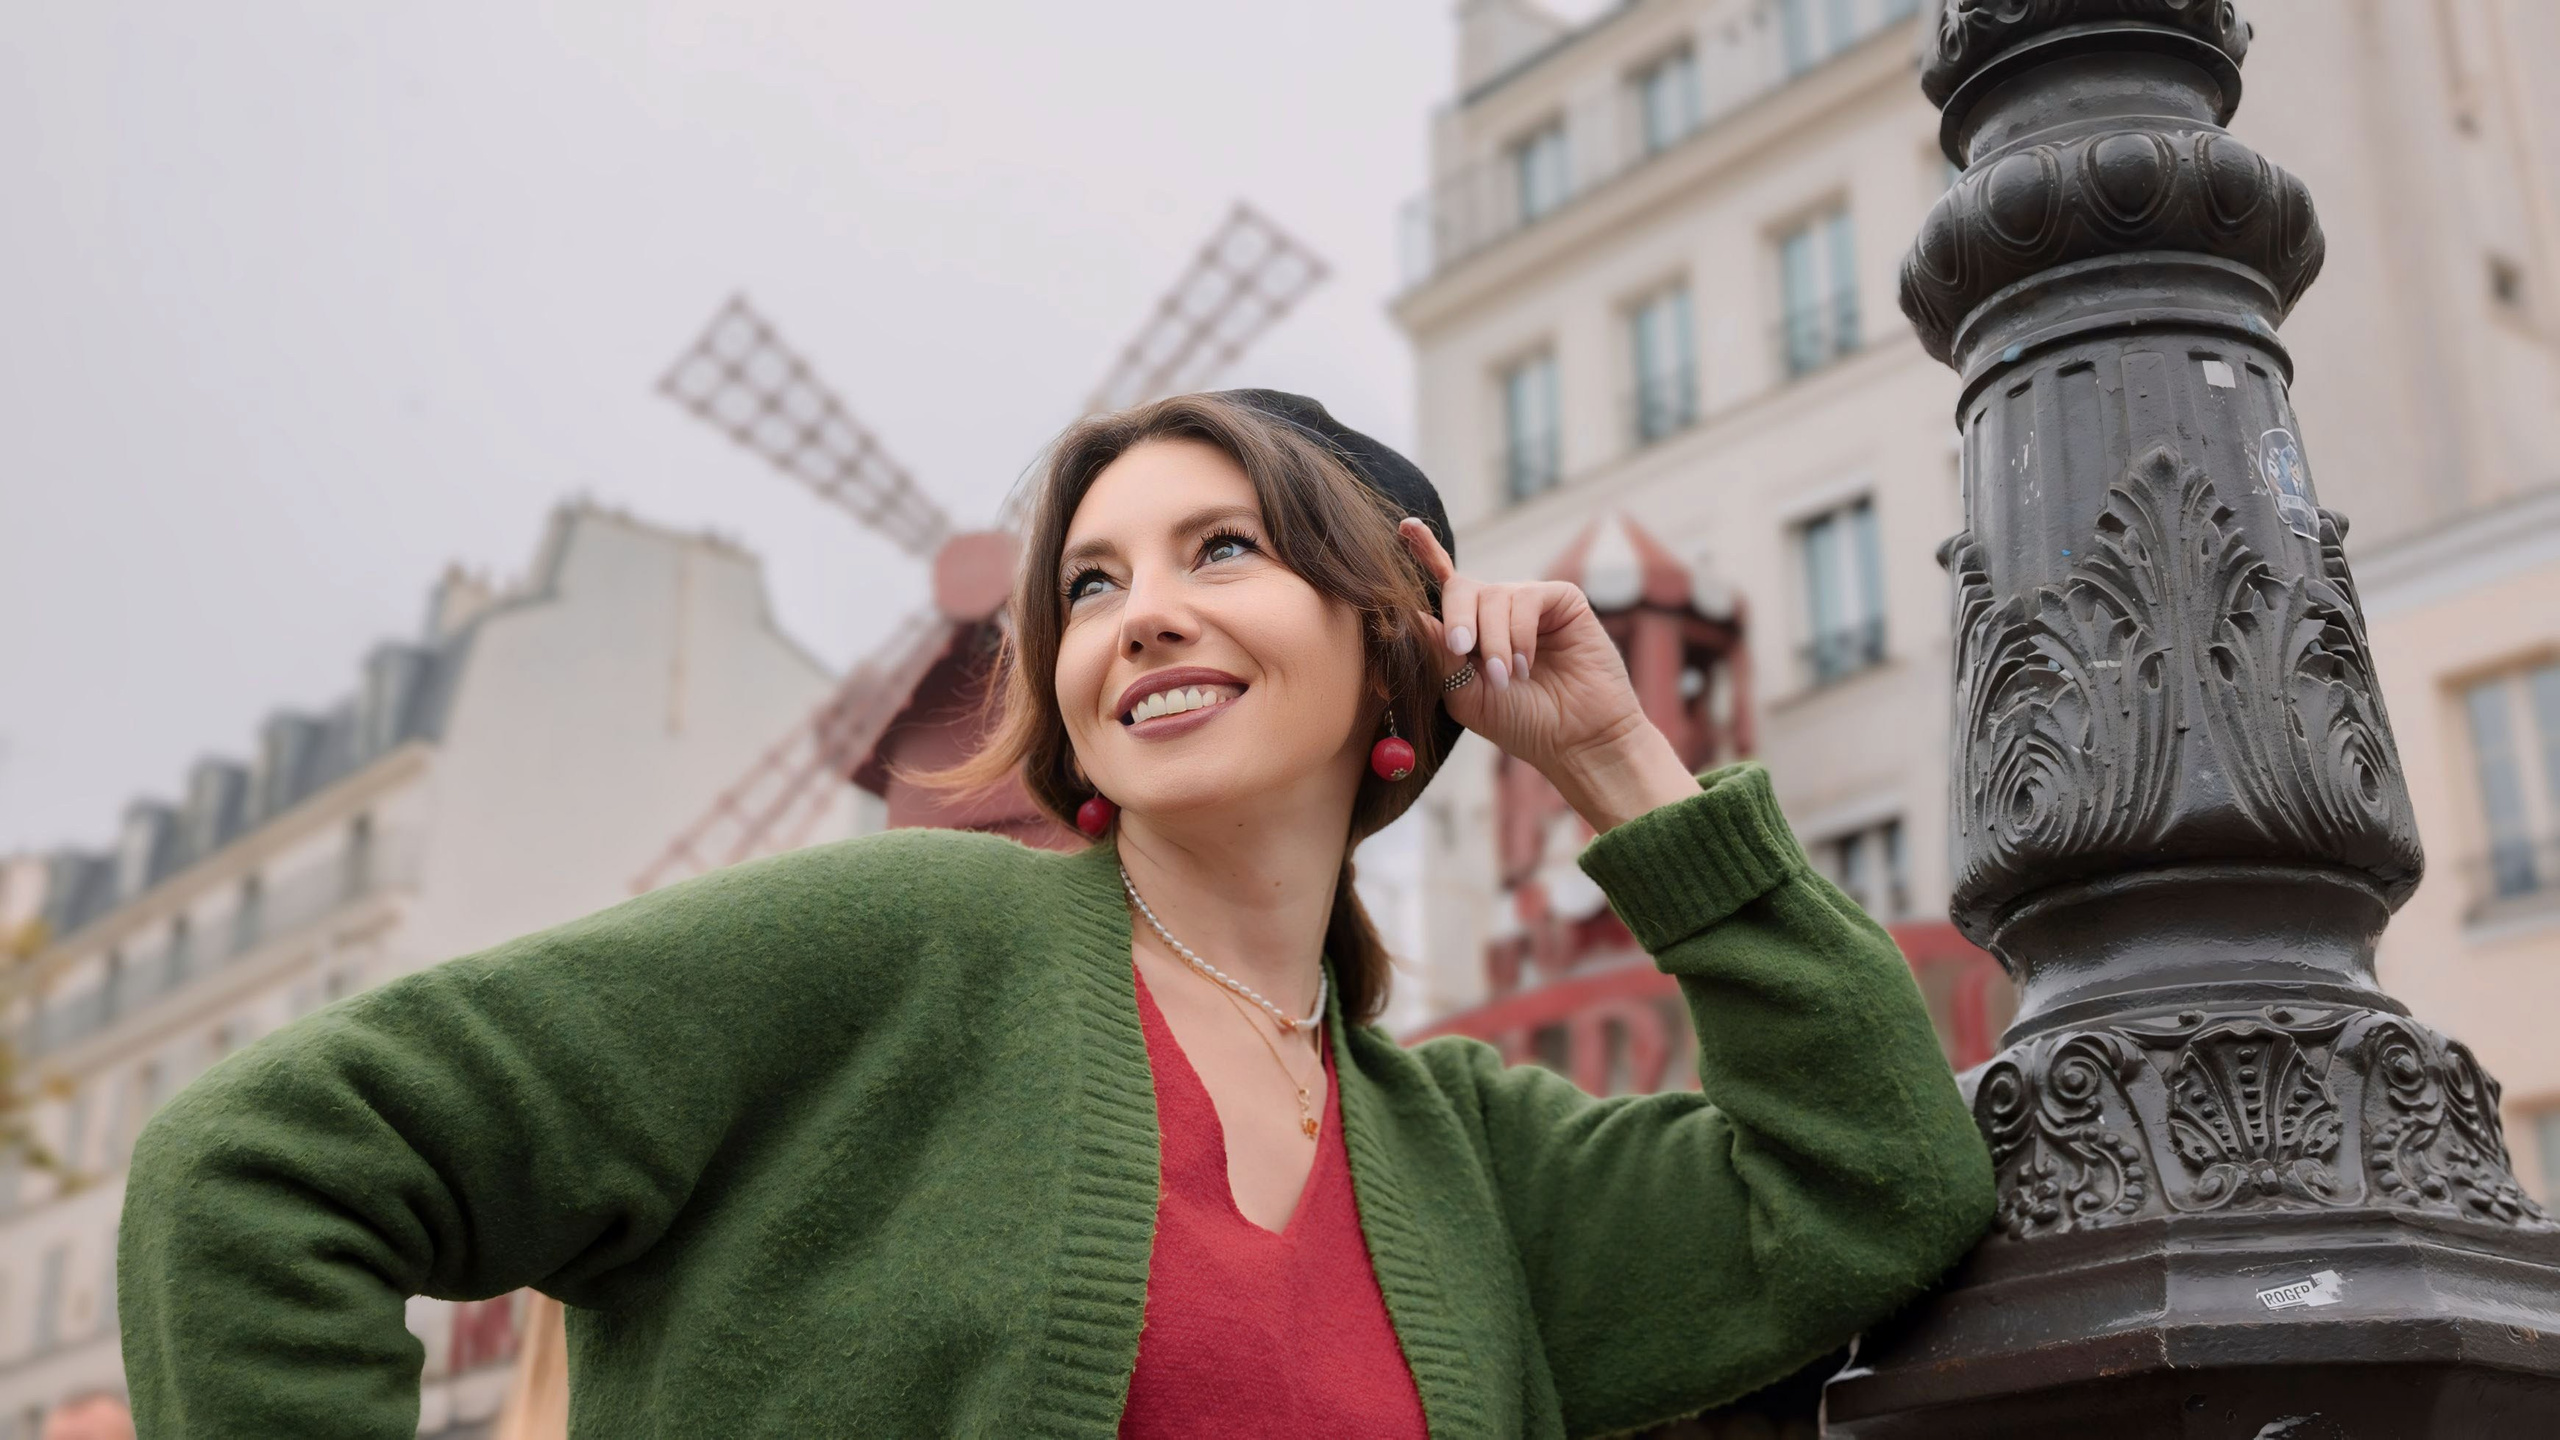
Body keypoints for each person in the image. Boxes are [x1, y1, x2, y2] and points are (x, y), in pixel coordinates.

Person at [117, 390, 1993, 1437]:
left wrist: (1615, 771)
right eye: (1090, 582)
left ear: (1400, 637)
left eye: (1223, 549)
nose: (1137, 613)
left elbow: (1878, 1182)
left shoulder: (1473, 1163)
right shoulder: (899, 951)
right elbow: (262, 1166)